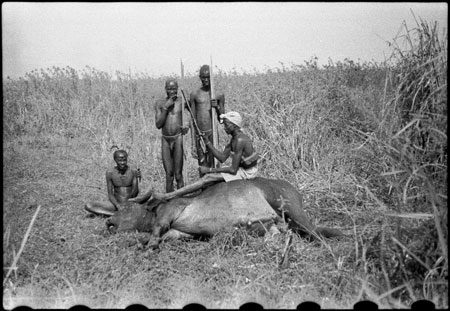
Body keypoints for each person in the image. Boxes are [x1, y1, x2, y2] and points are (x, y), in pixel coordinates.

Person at [151, 111, 259, 201]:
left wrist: (210, 170)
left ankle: (169, 195)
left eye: (227, 124)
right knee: (210, 179)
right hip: (241, 170)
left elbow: (233, 170)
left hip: (247, 173)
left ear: (234, 125)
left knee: (208, 177)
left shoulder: (240, 140)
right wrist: (207, 143)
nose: (225, 127)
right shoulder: (234, 139)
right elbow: (222, 158)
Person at [155, 78, 189, 193]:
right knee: (169, 174)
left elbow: (193, 113)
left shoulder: (182, 101)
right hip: (165, 140)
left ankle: (182, 199)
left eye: (174, 89)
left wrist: (187, 126)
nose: (172, 92)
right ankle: (169, 202)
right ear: (165, 89)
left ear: (177, 89)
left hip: (178, 138)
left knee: (178, 174)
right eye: (169, 89)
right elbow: (158, 125)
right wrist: (165, 107)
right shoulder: (160, 103)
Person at [189, 64, 225, 170]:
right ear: (200, 77)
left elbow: (221, 119)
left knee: (213, 162)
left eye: (208, 77)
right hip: (199, 134)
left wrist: (217, 107)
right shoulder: (194, 94)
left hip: (212, 133)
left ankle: (214, 185)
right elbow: (193, 119)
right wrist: (193, 142)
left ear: (212, 77)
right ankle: (204, 186)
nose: (206, 79)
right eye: (203, 77)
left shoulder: (218, 95)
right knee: (202, 164)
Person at [85, 149, 140, 216]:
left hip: (131, 203)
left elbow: (135, 193)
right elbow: (110, 194)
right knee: (89, 206)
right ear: (115, 160)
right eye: (120, 160)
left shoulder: (133, 171)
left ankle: (118, 214)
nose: (122, 163)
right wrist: (118, 205)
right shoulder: (110, 173)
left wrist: (136, 178)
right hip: (116, 204)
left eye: (124, 160)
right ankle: (116, 214)